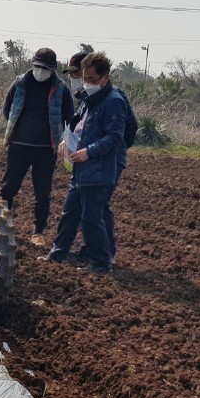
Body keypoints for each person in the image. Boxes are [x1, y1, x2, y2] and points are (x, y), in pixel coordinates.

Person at [43, 52, 128, 274]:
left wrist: (88, 152)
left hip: (98, 168)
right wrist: (65, 140)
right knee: (69, 212)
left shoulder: (114, 102)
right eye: (85, 79)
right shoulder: (88, 100)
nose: (87, 83)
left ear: (105, 77)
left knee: (92, 217)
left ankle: (101, 262)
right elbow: (76, 124)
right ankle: (58, 252)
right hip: (81, 167)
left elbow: (114, 137)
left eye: (92, 79)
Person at [1, 48, 73, 246]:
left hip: (46, 148)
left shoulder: (61, 89)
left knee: (42, 192)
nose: (40, 71)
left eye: (45, 68)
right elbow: (7, 109)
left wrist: (64, 142)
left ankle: (38, 232)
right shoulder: (20, 83)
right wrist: (18, 129)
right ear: (32, 65)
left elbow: (69, 117)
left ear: (52, 69)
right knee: (8, 187)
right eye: (38, 66)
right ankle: (0, 225)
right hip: (18, 145)